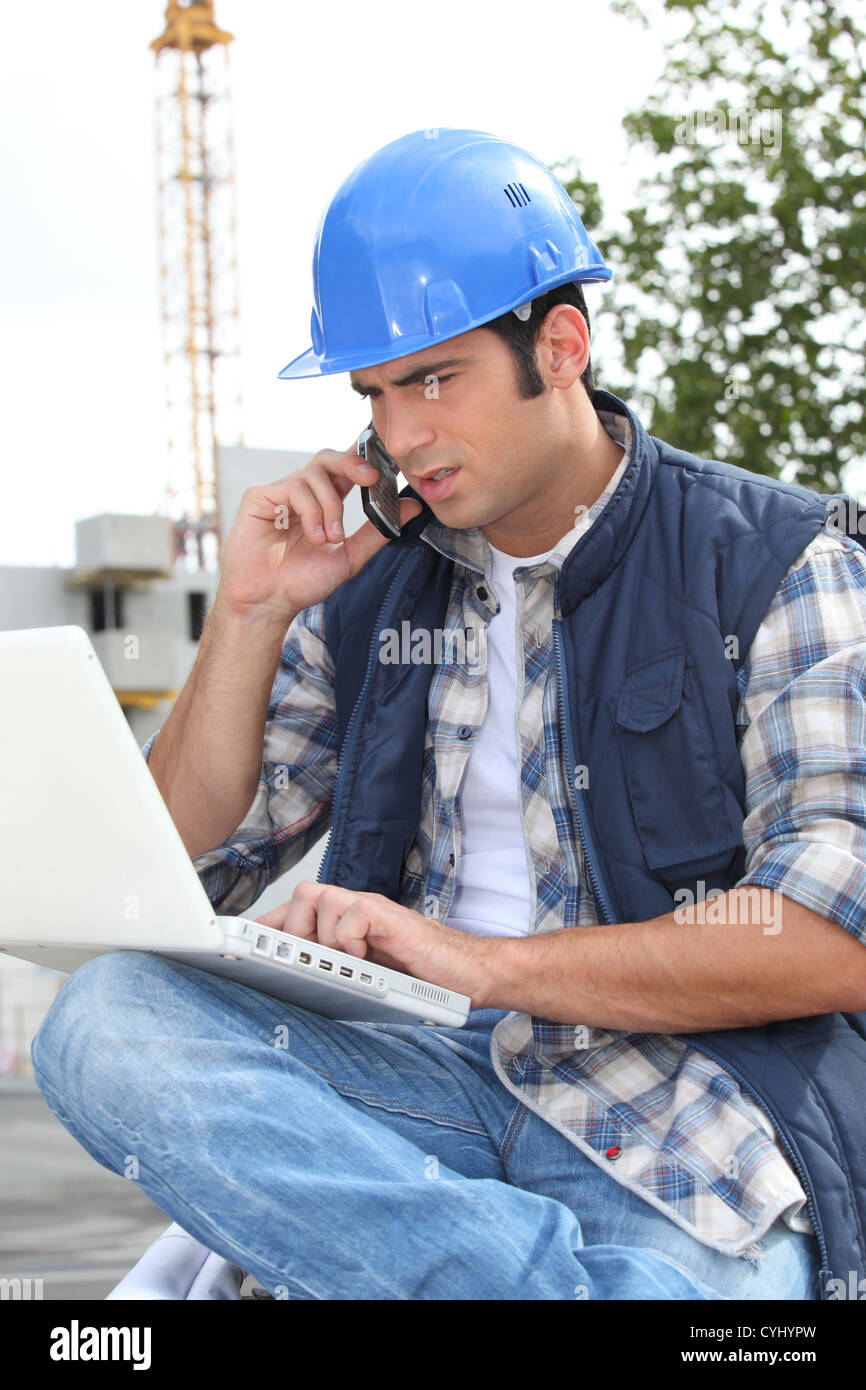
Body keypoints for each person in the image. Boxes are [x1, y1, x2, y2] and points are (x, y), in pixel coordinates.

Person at [31, 128, 866, 1302]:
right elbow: (176, 872)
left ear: (559, 348)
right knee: (104, 1020)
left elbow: (828, 939)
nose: (401, 433)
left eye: (433, 379)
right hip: (413, 1088)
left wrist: (475, 962)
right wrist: (250, 614)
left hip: (678, 1121)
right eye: (374, 391)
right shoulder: (366, 586)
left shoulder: (776, 563)